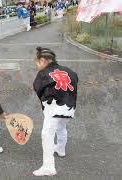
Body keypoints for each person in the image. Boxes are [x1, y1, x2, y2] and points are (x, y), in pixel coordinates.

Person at [32, 47, 78, 176]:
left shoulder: (43, 73)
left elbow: (37, 88)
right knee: (61, 127)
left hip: (54, 108)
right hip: (69, 108)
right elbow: (75, 83)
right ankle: (61, 149)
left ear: (42, 60)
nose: (37, 66)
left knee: (47, 134)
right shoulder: (70, 71)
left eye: (37, 63)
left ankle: (48, 166)